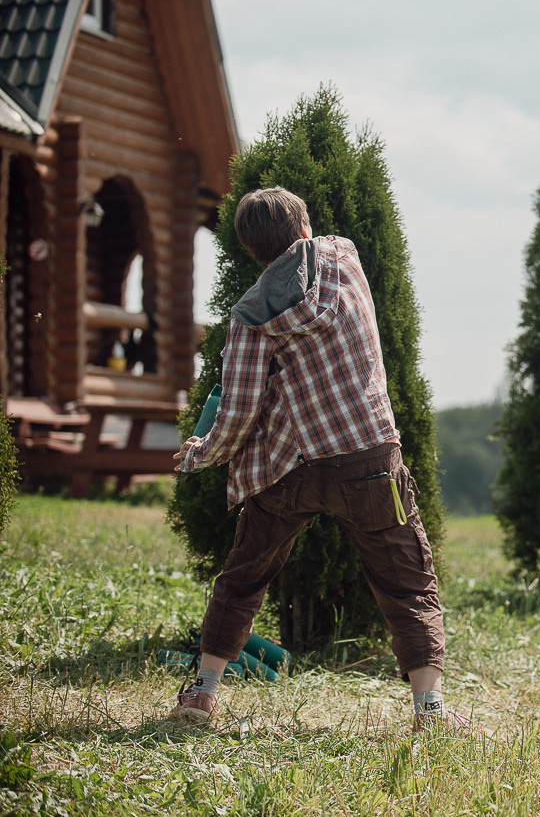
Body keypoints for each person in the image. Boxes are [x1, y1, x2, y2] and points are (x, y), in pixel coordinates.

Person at [171, 186, 464, 733]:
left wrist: (200, 452)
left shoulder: (248, 316)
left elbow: (237, 411)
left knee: (243, 576)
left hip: (291, 466)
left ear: (251, 251)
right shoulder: (343, 256)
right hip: (369, 457)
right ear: (304, 228)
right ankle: (429, 712)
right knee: (407, 580)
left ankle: (202, 694)